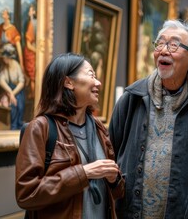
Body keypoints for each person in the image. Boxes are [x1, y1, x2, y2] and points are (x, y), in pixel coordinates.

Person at [109, 19, 188, 218]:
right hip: (128, 211)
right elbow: (110, 152)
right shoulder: (132, 98)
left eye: (174, 45)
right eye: (160, 43)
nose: (164, 51)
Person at [15, 53, 124, 218]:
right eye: (91, 75)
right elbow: (26, 194)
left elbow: (117, 192)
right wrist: (83, 173)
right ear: (68, 82)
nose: (98, 82)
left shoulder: (98, 128)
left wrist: (113, 179)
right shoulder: (40, 128)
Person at [0, 44, 25, 130]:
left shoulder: (16, 65)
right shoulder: (4, 67)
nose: (4, 58)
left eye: (5, 56)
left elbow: (21, 82)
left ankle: (19, 125)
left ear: (9, 57)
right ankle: (13, 127)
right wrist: (10, 93)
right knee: (13, 105)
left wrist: (13, 94)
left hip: (18, 90)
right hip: (9, 91)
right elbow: (1, 81)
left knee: (20, 104)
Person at [23, 4, 37, 99]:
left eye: (31, 11)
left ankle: (33, 94)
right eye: (29, 11)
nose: (29, 13)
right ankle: (32, 94)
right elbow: (28, 44)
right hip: (30, 52)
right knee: (32, 77)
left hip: (32, 52)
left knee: (33, 77)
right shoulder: (30, 23)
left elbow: (30, 43)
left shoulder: (34, 23)